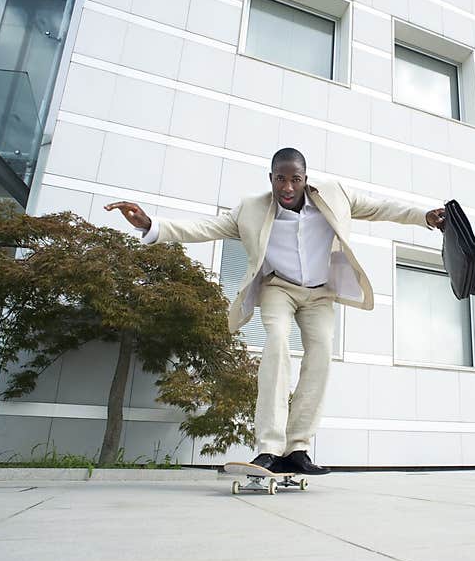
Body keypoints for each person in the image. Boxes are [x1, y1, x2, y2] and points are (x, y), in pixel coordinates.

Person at [106, 147, 445, 476]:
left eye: (294, 179)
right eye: (280, 179)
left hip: (319, 293)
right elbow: (206, 228)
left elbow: (380, 208)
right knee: (278, 345)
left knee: (322, 355)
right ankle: (269, 448)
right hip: (278, 288)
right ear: (270, 178)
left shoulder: (335, 194)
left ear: (305, 179)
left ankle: (297, 448)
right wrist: (150, 224)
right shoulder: (250, 210)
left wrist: (423, 216)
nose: (287, 187)